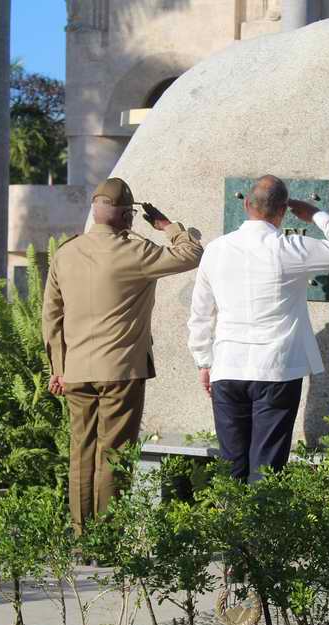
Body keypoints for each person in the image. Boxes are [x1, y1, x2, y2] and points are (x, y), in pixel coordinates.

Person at [42, 177, 203, 532]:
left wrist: (57, 367)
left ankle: (82, 533)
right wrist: (168, 227)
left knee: (81, 454)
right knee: (113, 455)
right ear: (128, 217)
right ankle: (108, 538)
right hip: (121, 372)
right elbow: (192, 254)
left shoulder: (65, 254)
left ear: (95, 213)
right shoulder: (136, 252)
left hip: (75, 372)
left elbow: (51, 317)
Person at [187, 175, 329, 482]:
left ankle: (230, 528)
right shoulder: (288, 248)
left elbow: (201, 313)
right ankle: (261, 530)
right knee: (267, 468)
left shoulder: (216, 250)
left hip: (228, 366)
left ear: (246, 204)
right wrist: (316, 214)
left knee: (231, 467)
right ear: (283, 211)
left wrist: (204, 361)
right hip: (276, 370)